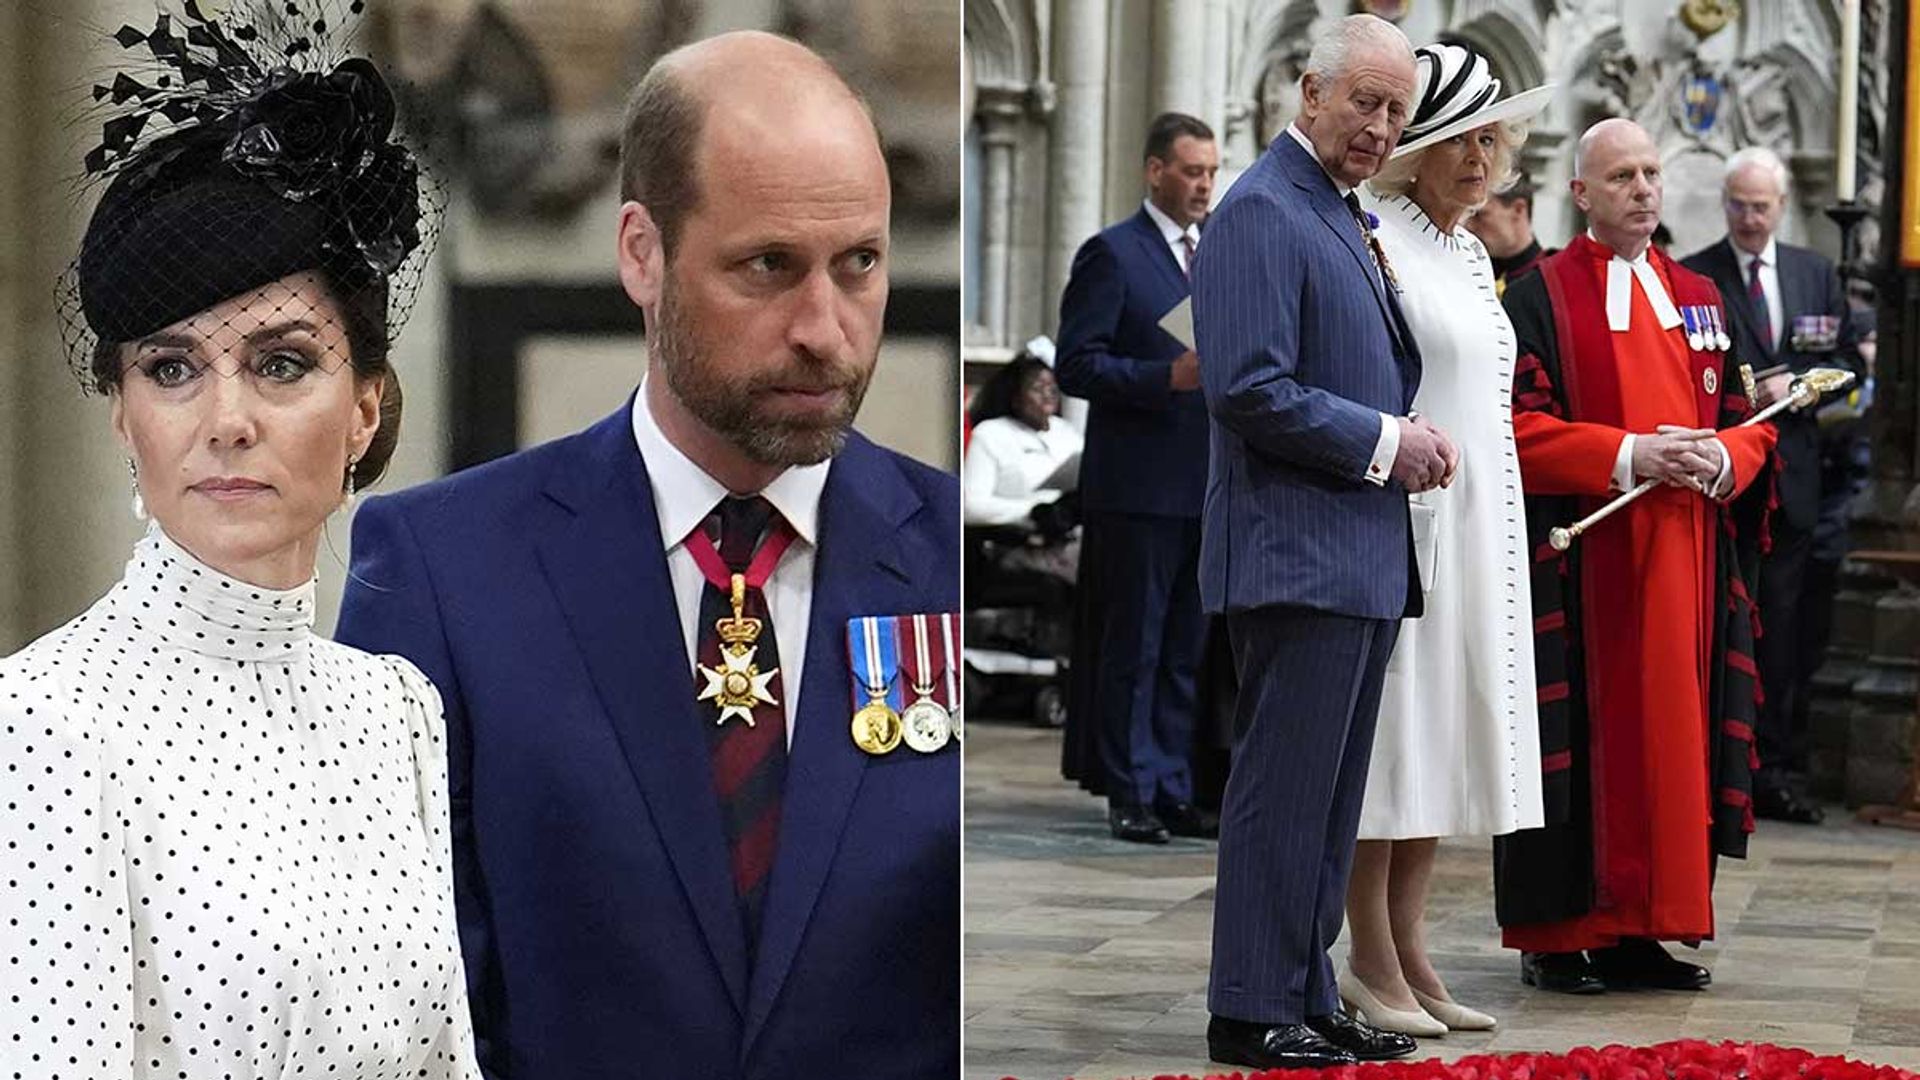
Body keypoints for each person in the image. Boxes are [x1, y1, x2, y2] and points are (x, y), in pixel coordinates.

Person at [335, 32, 960, 1079]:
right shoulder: (443, 571)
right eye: (768, 266)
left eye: (859, 264)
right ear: (643, 253)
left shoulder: (951, 555)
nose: (826, 330)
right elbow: (400, 1008)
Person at [0, 9, 480, 1077]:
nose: (227, 420)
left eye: (280, 363)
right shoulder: (43, 725)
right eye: (172, 368)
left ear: (364, 410)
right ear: (124, 416)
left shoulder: (395, 710)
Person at [1193, 13, 1460, 1070]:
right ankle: (1250, 1006)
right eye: (1365, 102)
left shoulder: (1336, 209)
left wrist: (1399, 438)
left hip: (1352, 549)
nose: (1381, 127)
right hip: (1295, 547)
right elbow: (1247, 387)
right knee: (1283, 792)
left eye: (1396, 111)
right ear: (1310, 94)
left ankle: (1305, 989)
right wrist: (1389, 441)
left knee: (1330, 800)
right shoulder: (1263, 209)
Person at [1495, 118, 1776, 996]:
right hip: (1581, 566)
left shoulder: (1700, 294)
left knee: (1673, 744)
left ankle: (1646, 927)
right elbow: (1512, 429)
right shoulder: (1538, 297)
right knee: (1574, 743)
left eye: (1652, 173)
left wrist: (1724, 459)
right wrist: (1628, 454)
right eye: (1622, 176)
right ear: (1580, 193)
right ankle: (1557, 934)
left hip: (1687, 564)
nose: (1644, 189)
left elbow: (1748, 416)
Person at [1342, 42, 1553, 1037]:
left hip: (1479, 520)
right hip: (1408, 517)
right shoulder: (1373, 233)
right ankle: (1366, 953)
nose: (1481, 158)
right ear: (1415, 147)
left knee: (1443, 734)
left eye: (1492, 140)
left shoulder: (1471, 252)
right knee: (1395, 733)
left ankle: (1411, 945)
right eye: (1461, 139)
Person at [1056, 112, 1220, 844]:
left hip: (1206, 482)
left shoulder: (1216, 253)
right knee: (1138, 644)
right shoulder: (1114, 253)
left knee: (1186, 646)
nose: (1204, 185)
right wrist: (1163, 378)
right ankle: (1130, 788)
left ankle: (1173, 785)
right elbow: (1076, 363)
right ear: (1155, 171)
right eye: (1191, 171)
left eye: (1211, 172)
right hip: (1138, 487)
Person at [1682, 146, 1859, 824]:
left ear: (1781, 207)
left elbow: (1845, 361)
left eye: (1760, 206)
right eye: (1739, 205)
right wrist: (1753, 391)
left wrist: (1805, 389)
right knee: (1721, 625)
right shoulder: (1696, 274)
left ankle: (1773, 770)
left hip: (1796, 478)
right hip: (1726, 478)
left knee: (1784, 633)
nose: (1750, 218)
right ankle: (1712, 766)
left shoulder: (1815, 273)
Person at [963, 349, 1083, 583]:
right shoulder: (991, 434)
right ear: (1016, 397)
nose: (1048, 395)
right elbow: (970, 507)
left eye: (1053, 388)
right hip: (1020, 545)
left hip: (1072, 534)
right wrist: (1033, 511)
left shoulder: (1067, 432)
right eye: (1038, 389)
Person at [1467, 170, 1554, 295]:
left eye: (1479, 215)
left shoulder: (1553, 282)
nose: (1468, 226)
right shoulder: (1464, 274)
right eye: (1467, 216)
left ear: (1518, 210)